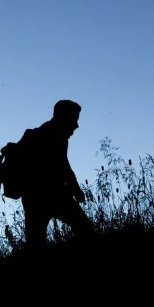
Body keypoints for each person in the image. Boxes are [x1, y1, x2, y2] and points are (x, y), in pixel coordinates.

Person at [17, 100, 96, 249]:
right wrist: (76, 190)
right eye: (74, 120)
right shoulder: (54, 137)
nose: (76, 125)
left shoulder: (43, 134)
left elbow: (63, 166)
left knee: (35, 244)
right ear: (63, 117)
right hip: (53, 195)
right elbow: (63, 167)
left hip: (32, 197)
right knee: (85, 229)